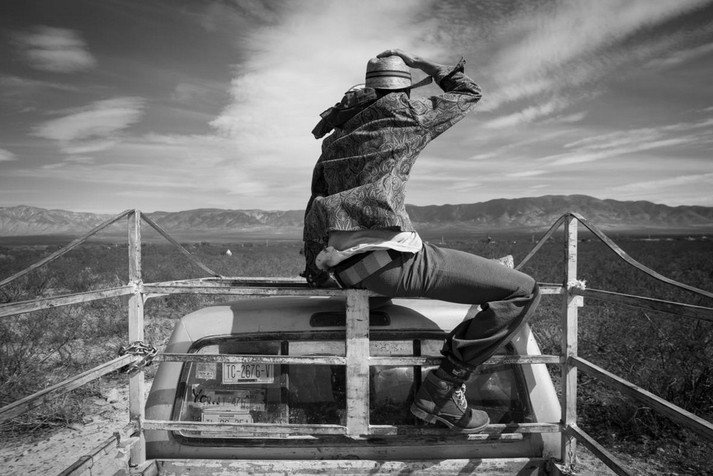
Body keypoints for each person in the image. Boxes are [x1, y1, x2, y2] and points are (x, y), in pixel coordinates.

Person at [302, 49, 541, 433]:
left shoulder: (337, 136)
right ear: (404, 89)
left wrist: (317, 269)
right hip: (391, 263)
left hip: (348, 269)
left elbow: (316, 202)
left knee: (459, 264)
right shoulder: (406, 115)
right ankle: (442, 390)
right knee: (523, 291)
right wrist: (425, 65)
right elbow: (468, 93)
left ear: (368, 87)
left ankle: (484, 276)